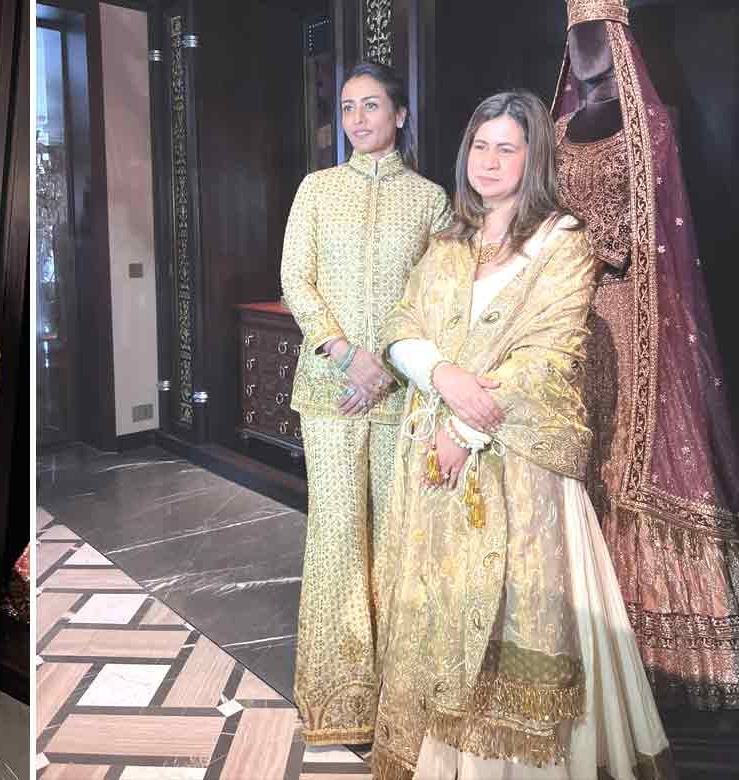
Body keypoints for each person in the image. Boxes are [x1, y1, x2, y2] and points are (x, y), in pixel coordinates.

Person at [372, 90, 672, 779]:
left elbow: (548, 356)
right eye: (480, 146)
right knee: (441, 608)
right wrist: (443, 375)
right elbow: (399, 324)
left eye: (506, 148)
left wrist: (465, 429)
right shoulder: (450, 240)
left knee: (516, 610)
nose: (488, 161)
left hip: (518, 462)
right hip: (433, 466)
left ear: (533, 158)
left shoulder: (562, 243)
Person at [553, 0, 739, 710]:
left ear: (619, 39)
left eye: (595, 36)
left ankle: (659, 639)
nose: (586, 51)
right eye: (576, 38)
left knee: (638, 446)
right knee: (577, 447)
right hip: (562, 313)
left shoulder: (652, 124)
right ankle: (582, 623)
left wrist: (603, 250)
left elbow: (661, 226)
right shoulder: (555, 130)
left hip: (635, 307)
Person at [280, 61, 449, 745]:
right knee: (336, 536)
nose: (357, 119)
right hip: (329, 392)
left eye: (371, 105)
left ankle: (399, 694)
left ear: (400, 115)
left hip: (403, 395)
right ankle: (338, 694)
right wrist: (348, 354)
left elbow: (437, 297)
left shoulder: (432, 200)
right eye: (348, 107)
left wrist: (386, 366)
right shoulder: (317, 190)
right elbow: (297, 278)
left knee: (399, 537)